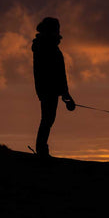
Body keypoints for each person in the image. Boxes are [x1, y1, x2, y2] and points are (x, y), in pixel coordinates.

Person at [32, 17, 76, 158]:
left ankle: (42, 148)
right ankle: (41, 149)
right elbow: (54, 72)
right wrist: (64, 92)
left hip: (47, 88)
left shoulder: (45, 45)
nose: (58, 31)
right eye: (56, 28)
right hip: (48, 88)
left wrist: (64, 92)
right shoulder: (47, 46)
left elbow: (57, 72)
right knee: (47, 118)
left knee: (48, 118)